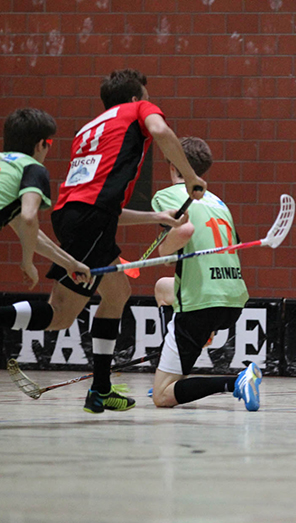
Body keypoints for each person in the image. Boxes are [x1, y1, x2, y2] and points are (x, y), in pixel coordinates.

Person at [0, 69, 208, 414]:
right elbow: (161, 131)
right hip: (89, 220)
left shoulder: (88, 130)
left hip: (78, 215)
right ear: (135, 98)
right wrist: (190, 176)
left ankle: (100, 388)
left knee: (117, 292)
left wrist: (156, 217)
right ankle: (96, 388)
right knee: (60, 315)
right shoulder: (138, 110)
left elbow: (100, 205)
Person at [149, 137, 260, 412]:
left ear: (173, 165)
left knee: (162, 397)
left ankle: (235, 381)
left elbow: (182, 234)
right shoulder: (218, 202)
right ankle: (173, 370)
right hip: (232, 300)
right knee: (163, 288)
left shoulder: (166, 195)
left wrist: (164, 250)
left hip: (200, 305)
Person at [0, 108, 92, 289]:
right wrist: (27, 263)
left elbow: (28, 231)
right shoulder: (32, 168)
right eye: (49, 143)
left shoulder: (7, 172)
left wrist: (70, 264)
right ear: (40, 144)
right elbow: (28, 218)